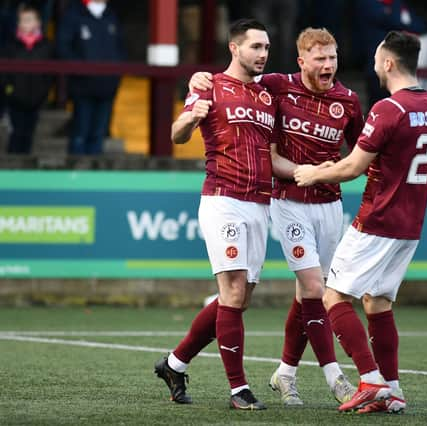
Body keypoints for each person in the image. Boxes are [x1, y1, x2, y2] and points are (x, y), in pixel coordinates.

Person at [184, 27, 364, 407]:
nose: (327, 64)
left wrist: (329, 173)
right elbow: (232, 77)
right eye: (320, 58)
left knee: (296, 294)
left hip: (323, 204)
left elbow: (362, 155)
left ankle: (282, 372)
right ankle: (332, 379)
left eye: (332, 57)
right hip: (280, 200)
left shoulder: (346, 101)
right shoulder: (277, 86)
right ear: (302, 61)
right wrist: (198, 78)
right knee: (312, 288)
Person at [293, 30, 427, 413]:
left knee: (333, 296)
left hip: (377, 220)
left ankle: (370, 379)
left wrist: (313, 174)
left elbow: (354, 168)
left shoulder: (387, 108)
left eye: (378, 57)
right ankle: (392, 392)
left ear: (389, 63)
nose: (374, 63)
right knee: (377, 302)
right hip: (410, 224)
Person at [154, 18, 276, 411]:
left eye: (266, 48)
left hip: (260, 203)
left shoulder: (268, 95)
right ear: (234, 48)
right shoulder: (209, 86)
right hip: (223, 198)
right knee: (234, 292)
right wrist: (190, 116)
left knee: (237, 301)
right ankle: (238, 389)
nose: (262, 54)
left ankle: (174, 364)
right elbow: (176, 133)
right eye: (255, 46)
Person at [56, 0, 125, 155]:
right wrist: (79, 70)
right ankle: (74, 175)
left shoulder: (111, 15)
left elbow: (120, 49)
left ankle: (94, 177)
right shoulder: (73, 14)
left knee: (98, 136)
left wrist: (115, 75)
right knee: (80, 133)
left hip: (107, 87)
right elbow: (63, 47)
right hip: (82, 87)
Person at [1, 2, 54, 154]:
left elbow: (49, 75)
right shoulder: (11, 46)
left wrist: (43, 93)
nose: (26, 24)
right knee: (15, 136)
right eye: (23, 20)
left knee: (28, 137)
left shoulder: (45, 46)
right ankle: (12, 170)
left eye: (30, 19)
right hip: (15, 100)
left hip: (36, 100)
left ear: (38, 22)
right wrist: (10, 92)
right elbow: (4, 75)